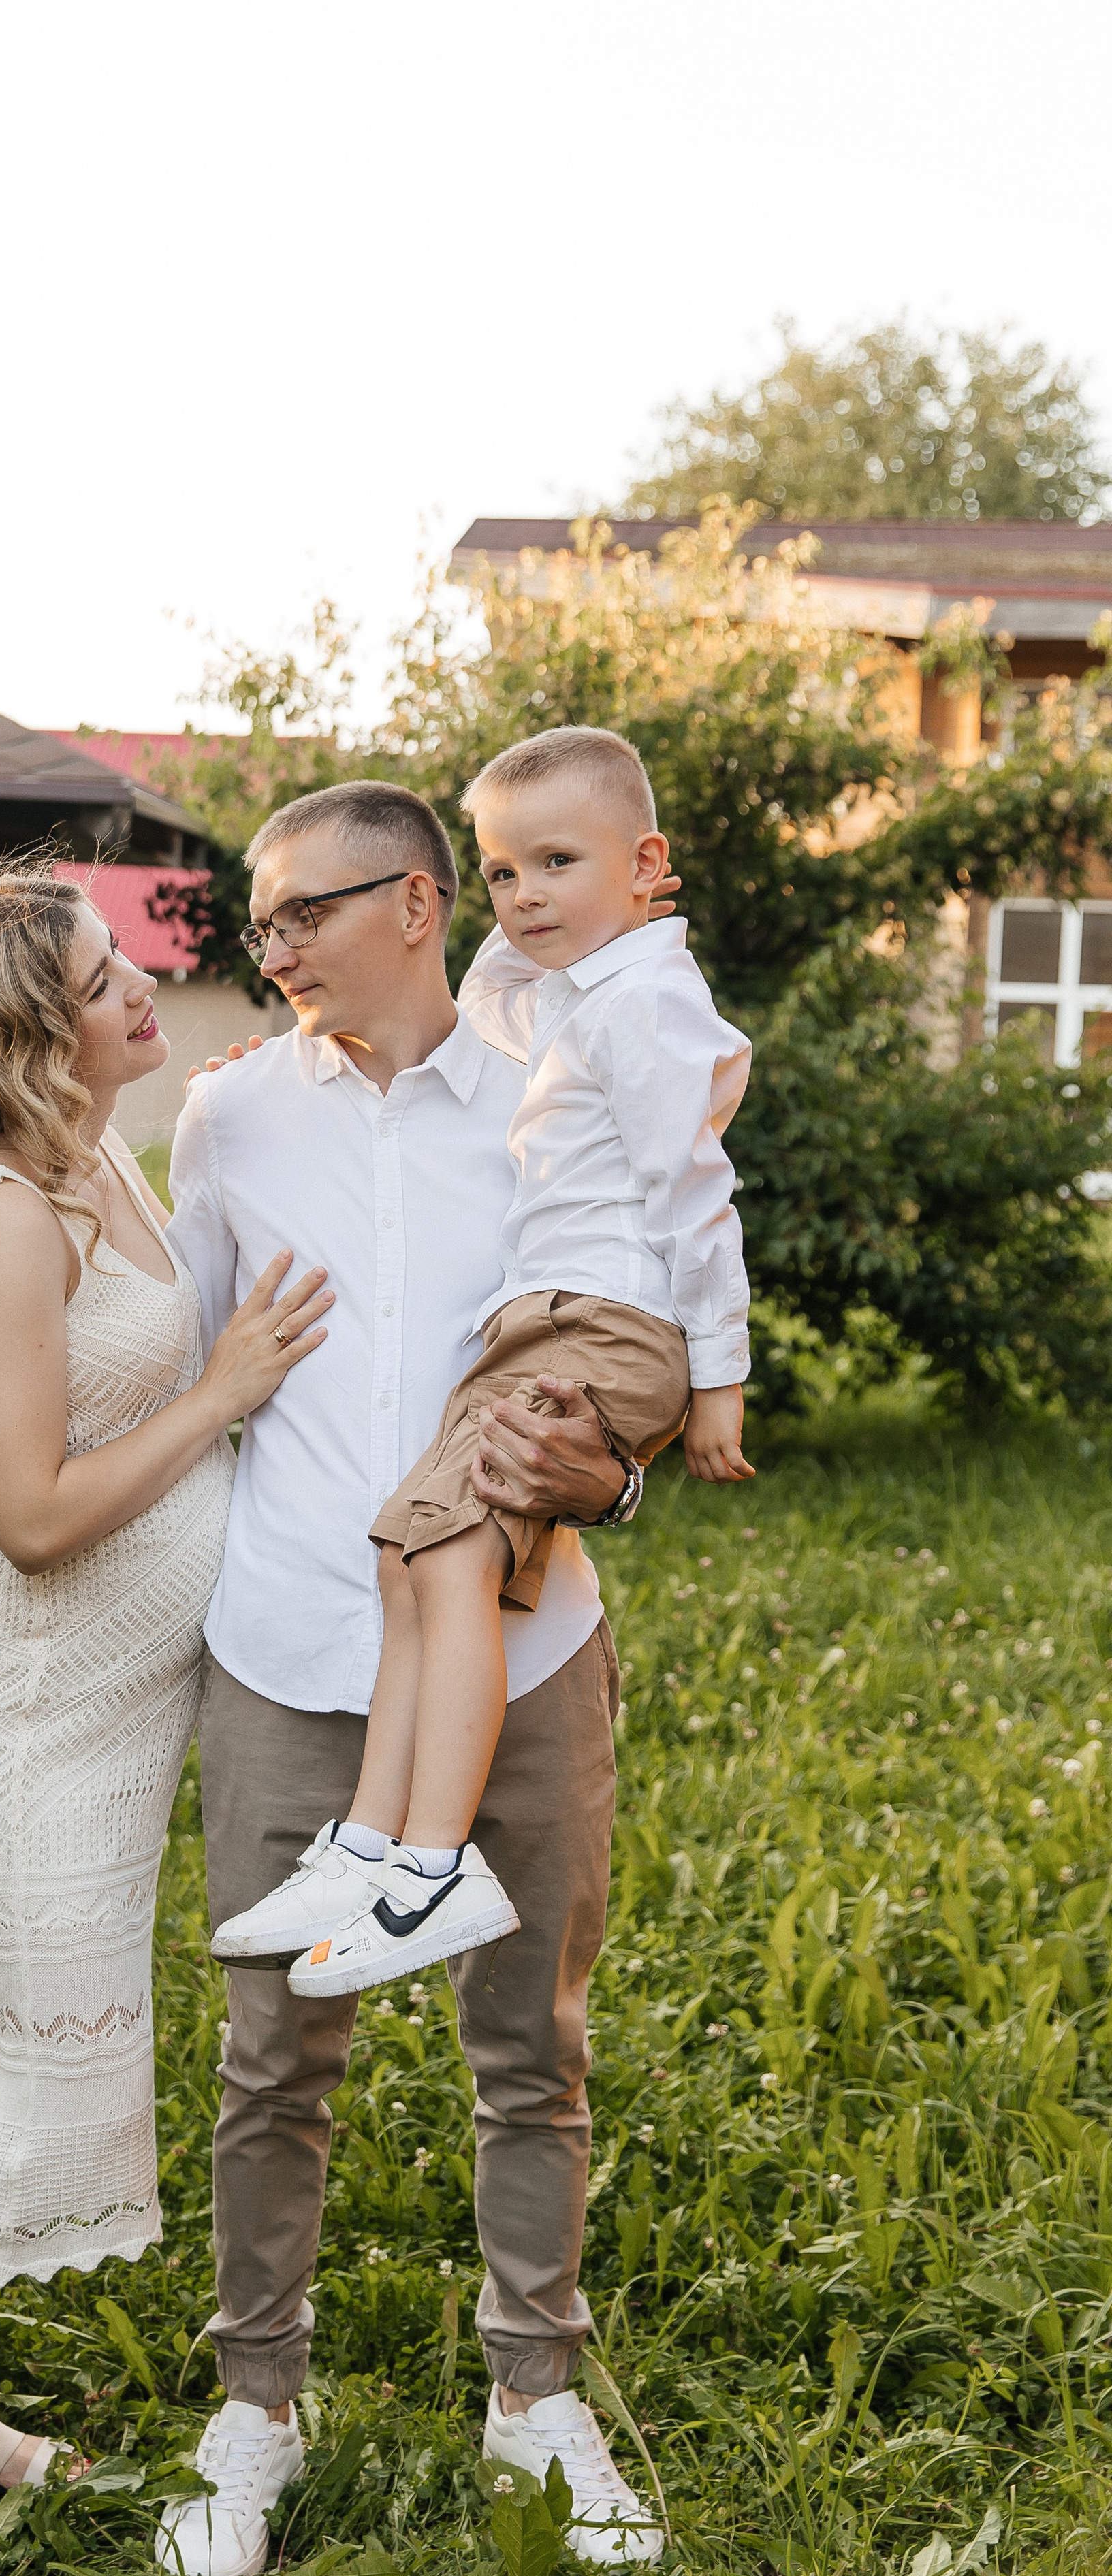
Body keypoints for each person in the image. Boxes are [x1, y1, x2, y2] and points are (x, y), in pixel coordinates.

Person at [158, 781, 671, 2576]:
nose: (272, 947)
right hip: (289, 1651)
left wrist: (610, 1478)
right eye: (259, 921)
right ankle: (257, 2407)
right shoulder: (224, 1119)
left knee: (532, 2049)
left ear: (417, 902)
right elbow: (194, 1371)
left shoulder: (561, 1100)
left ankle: (536, 2393)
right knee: (270, 2055)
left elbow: (627, 1366)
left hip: (525, 1653)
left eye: (303, 911)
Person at [0, 864, 331, 2576]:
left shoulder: (95, 1160)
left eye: (123, 965)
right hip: (14, 1703)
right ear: (30, 1038)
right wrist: (223, 1393)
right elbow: (33, 1517)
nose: (138, 993)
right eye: (103, 984)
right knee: (53, 2079)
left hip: (99, 1704)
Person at [217, 727, 753, 1999]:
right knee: (410, 1550)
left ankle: (427, 1866)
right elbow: (511, 974)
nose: (523, 899)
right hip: (519, 1352)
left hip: (593, 1341)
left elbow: (697, 1196)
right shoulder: (556, 1012)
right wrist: (594, 897)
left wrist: (712, 1387)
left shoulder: (618, 1027)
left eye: (556, 863)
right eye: (504, 873)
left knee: (445, 1559)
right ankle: (373, 1847)